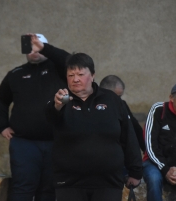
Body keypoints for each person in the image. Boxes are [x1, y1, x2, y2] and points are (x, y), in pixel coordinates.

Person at [35, 35, 142, 201]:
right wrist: (57, 106)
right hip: (69, 183)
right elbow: (50, 117)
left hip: (108, 182)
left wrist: (135, 171)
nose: (75, 79)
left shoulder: (112, 100)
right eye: (71, 75)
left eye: (80, 74)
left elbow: (129, 137)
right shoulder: (60, 100)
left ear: (92, 75)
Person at [0, 34, 66, 201]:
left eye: (38, 47)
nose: (34, 51)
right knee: (21, 187)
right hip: (24, 143)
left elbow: (69, 59)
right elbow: (0, 99)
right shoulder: (15, 74)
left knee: (49, 189)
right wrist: (3, 125)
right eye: (30, 47)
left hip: (54, 141)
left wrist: (45, 48)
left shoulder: (60, 69)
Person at [99, 75, 145, 152]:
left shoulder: (122, 105)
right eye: (116, 96)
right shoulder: (96, 107)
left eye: (120, 96)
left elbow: (135, 128)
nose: (118, 100)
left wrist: (147, 150)